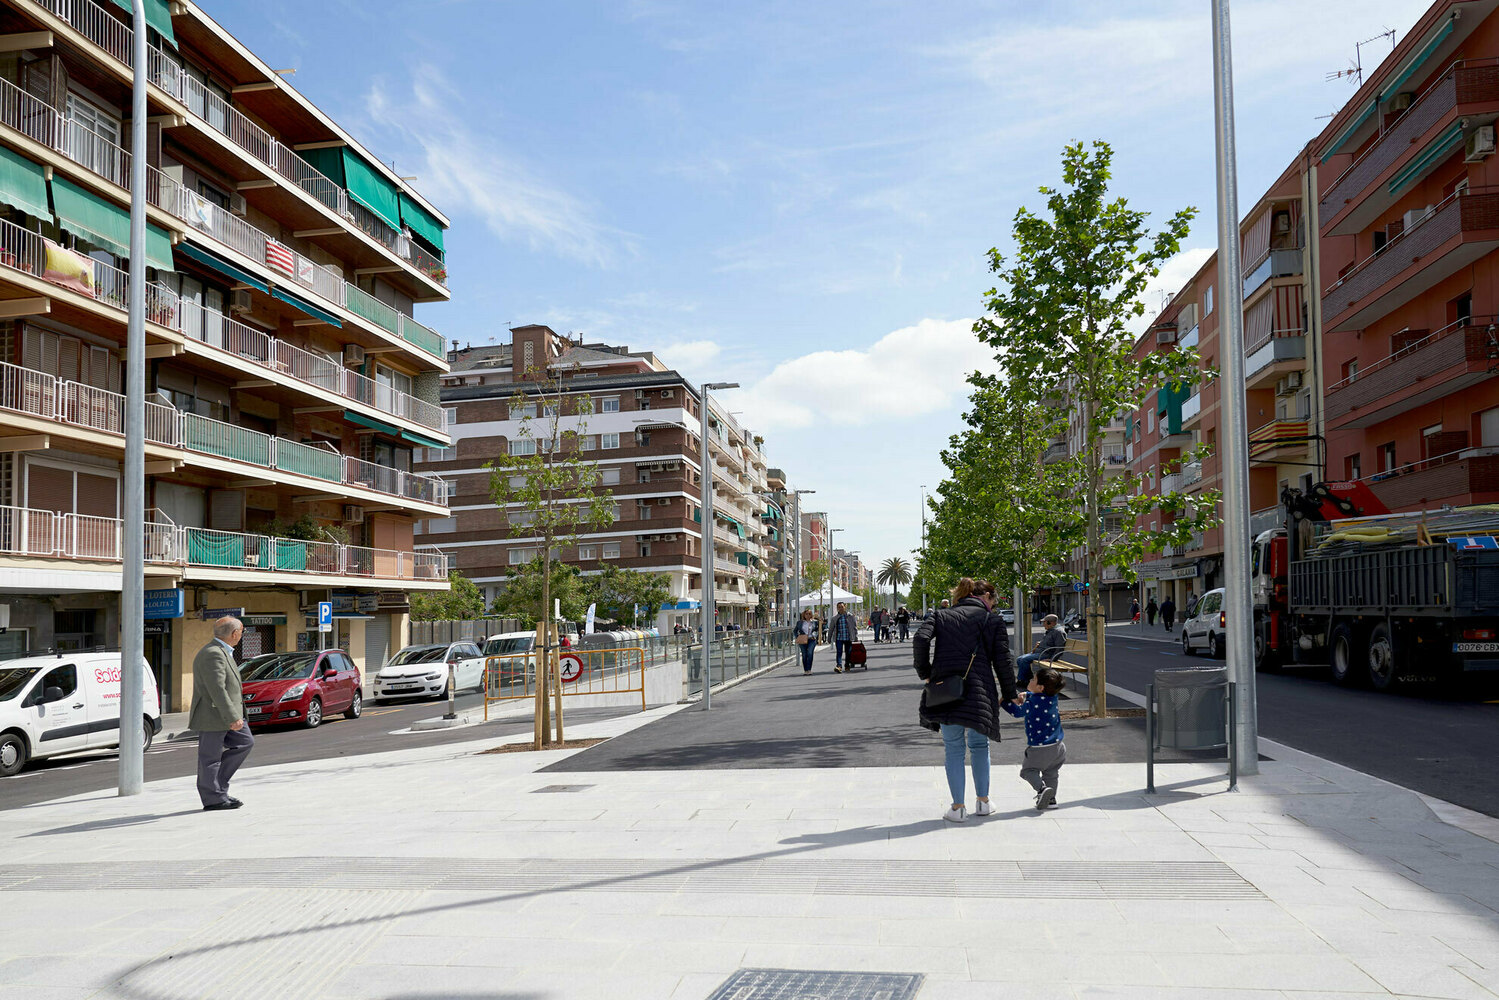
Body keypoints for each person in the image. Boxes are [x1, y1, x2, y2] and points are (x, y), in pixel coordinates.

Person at [914, 577, 1016, 823]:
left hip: (947, 691)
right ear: (987, 597)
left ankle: (958, 808)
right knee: (980, 746)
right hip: (981, 691)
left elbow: (920, 639)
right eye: (994, 600)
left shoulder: (941, 615)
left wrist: (926, 673)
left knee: (953, 748)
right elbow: (1002, 661)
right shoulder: (992, 620)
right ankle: (983, 802)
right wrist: (1010, 693)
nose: (994, 605)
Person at [191, 616, 252, 812]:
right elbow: (217, 689)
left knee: (245, 742)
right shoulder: (213, 653)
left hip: (226, 714)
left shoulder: (223, 651)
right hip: (213, 715)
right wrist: (232, 716)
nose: (241, 635)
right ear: (234, 634)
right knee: (210, 758)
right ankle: (213, 798)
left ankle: (217, 788)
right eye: (241, 632)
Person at [1002, 666, 1066, 810]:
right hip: (1058, 746)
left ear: (1040, 687)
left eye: (1033, 679)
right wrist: (1027, 694)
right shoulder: (1053, 697)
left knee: (1028, 771)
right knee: (1051, 773)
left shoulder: (1033, 703)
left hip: (1040, 748)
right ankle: (1051, 800)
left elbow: (1018, 712)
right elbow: (1038, 696)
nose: (1030, 680)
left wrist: (1004, 702)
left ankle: (1042, 789)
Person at [1016, 613, 1067, 687]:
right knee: (1019, 659)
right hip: (1041, 652)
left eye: (1044, 622)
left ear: (1050, 623)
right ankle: (1028, 679)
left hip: (1046, 654)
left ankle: (1023, 680)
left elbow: (1060, 647)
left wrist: (1052, 659)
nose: (1043, 625)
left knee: (1024, 660)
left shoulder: (1058, 632)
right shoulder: (1051, 630)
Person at [829, 602, 859, 672]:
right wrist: (829, 638)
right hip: (839, 638)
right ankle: (839, 666)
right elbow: (831, 629)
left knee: (848, 652)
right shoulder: (835, 618)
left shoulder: (850, 616)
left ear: (845, 607)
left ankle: (847, 665)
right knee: (839, 652)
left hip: (848, 637)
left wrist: (856, 637)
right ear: (837, 608)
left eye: (842, 607)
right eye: (839, 607)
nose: (840, 608)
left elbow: (854, 627)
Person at [795, 609, 819, 674]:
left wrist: (815, 635)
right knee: (804, 654)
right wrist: (797, 637)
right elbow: (795, 631)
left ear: (811, 615)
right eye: (806, 614)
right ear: (804, 615)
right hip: (803, 639)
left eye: (809, 614)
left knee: (810, 653)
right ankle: (805, 670)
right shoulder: (800, 622)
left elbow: (817, 630)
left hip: (811, 639)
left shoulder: (814, 622)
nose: (808, 615)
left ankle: (809, 669)